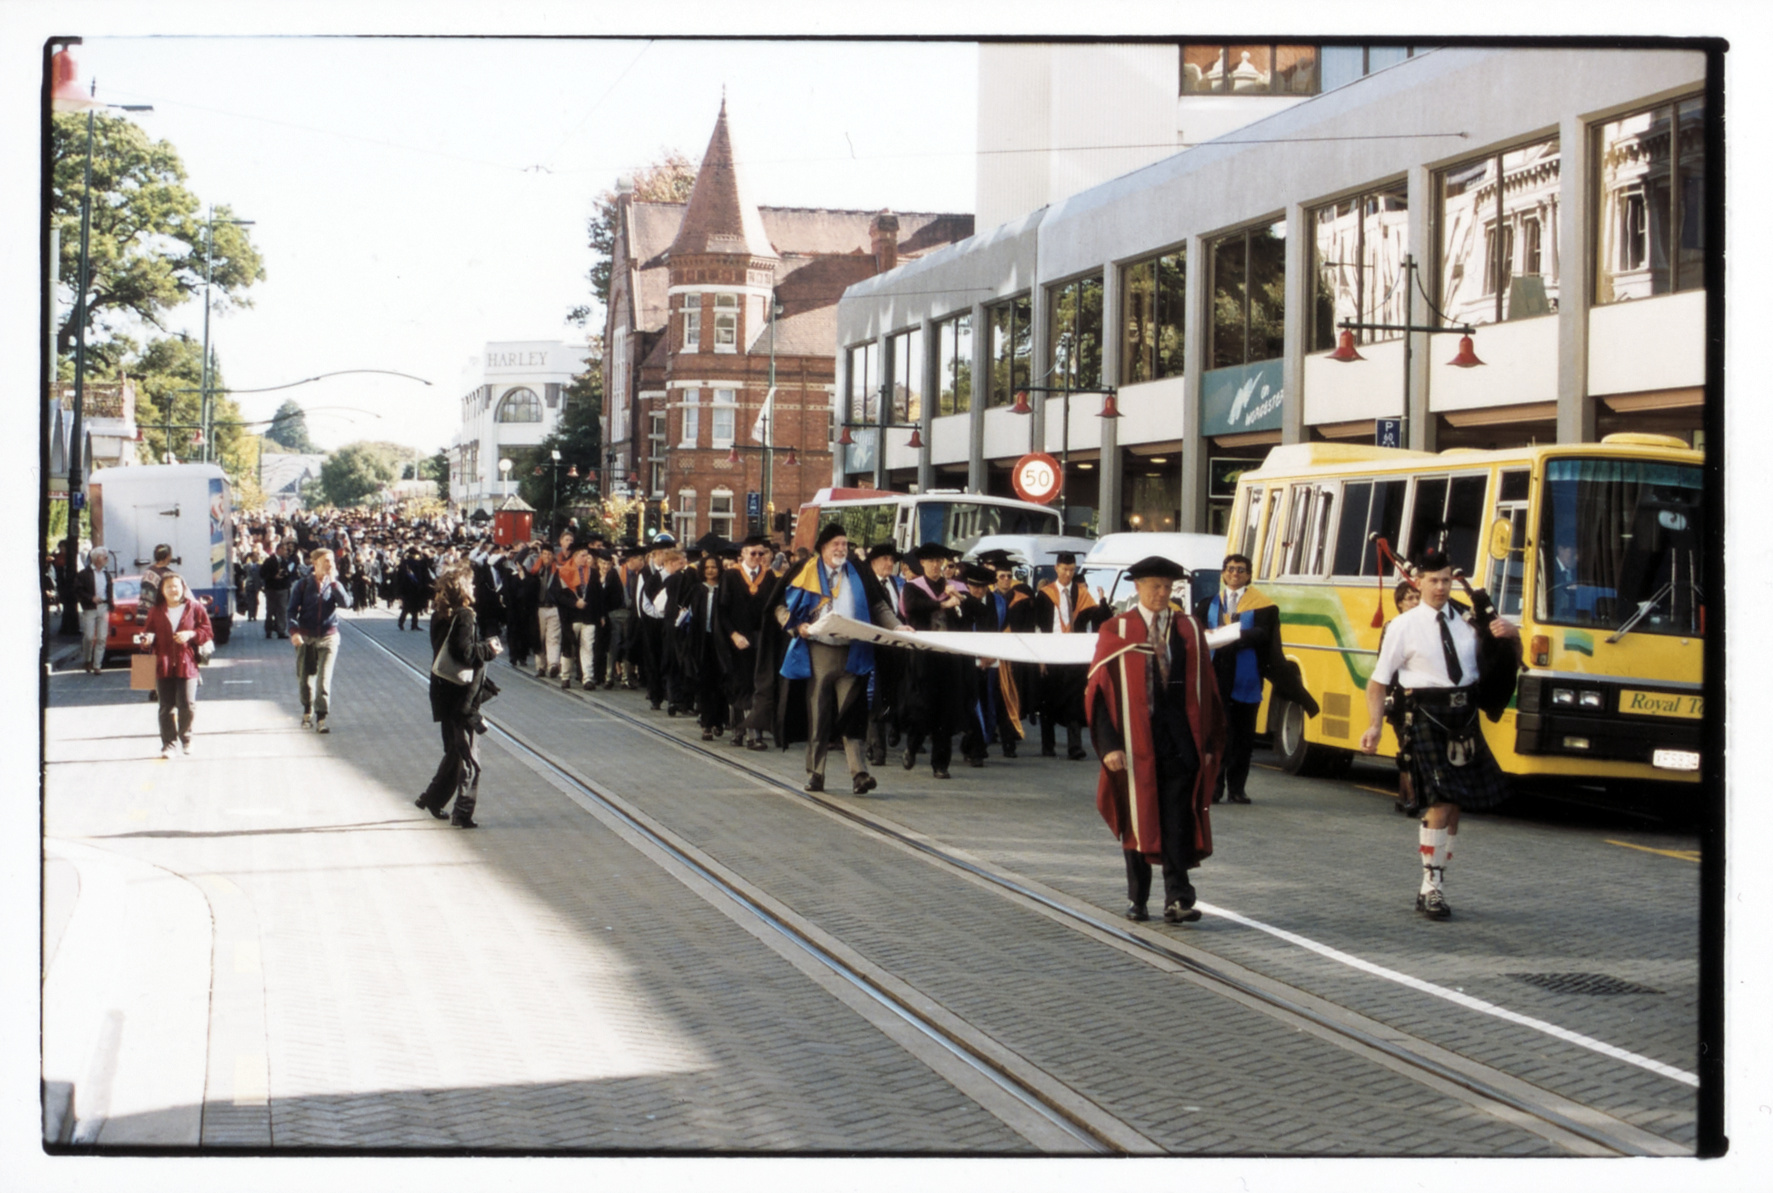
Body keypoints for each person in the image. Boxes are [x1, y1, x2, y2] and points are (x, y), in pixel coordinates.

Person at [1359, 549, 1521, 920]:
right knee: (1442, 798)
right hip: (1427, 713)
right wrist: (1374, 725)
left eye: (1447, 580)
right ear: (1418, 582)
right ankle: (1430, 886)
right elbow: (1378, 682)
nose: (1441, 587)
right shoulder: (1403, 626)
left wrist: (1511, 636)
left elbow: (1501, 660)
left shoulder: (1470, 620)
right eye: (1433, 580)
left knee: (1455, 803)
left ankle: (1438, 880)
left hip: (1464, 713)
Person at [1086, 555, 1227, 925]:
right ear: (1137, 587)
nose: (1162, 593)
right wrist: (1109, 745)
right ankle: (1138, 898)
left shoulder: (1188, 629)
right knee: (1137, 816)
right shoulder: (1116, 630)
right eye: (1155, 586)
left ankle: (1178, 898)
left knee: (1177, 819)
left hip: (1181, 740)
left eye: (1168, 587)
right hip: (1133, 742)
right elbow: (1098, 694)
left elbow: (1207, 688)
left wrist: (1210, 744)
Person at [778, 523, 907, 794]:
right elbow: (778, 606)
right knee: (819, 712)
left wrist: (896, 627)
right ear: (823, 548)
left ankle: (859, 773)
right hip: (819, 650)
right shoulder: (805, 570)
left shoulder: (858, 570)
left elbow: (878, 604)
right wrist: (796, 626)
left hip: (854, 651)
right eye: (835, 544)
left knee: (853, 711)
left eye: (844, 544)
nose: (841, 549)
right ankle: (816, 773)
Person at [1193, 553, 1319, 805]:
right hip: (1215, 676)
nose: (1235, 574)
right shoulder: (1208, 604)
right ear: (1223, 573)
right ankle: (1215, 787)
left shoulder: (1264, 606)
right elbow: (1194, 629)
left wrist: (1233, 635)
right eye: (1230, 569)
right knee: (1217, 733)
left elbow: (1263, 635)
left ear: (1249, 575)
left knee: (1242, 735)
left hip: (1246, 677)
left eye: (1240, 570)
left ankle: (1237, 789)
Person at [416, 564, 503, 829]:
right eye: (471, 584)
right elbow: (464, 653)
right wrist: (489, 649)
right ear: (463, 589)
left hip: (444, 692)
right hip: (461, 697)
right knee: (468, 759)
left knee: (455, 752)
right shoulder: (465, 615)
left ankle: (432, 799)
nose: (475, 587)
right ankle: (462, 813)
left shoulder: (440, 614)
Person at [897, 541, 967, 779]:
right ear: (923, 563)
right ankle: (913, 746)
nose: (936, 565)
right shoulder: (913, 588)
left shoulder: (952, 587)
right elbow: (913, 608)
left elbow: (970, 613)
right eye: (931, 561)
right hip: (923, 657)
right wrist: (942, 604)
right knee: (921, 708)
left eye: (939, 561)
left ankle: (940, 764)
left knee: (945, 711)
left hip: (947, 658)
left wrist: (959, 602)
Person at [139, 571, 215, 759]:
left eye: (176, 586)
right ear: (162, 591)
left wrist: (191, 635)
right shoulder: (156, 610)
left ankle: (187, 738)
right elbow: (147, 633)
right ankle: (168, 744)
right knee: (166, 707)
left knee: (187, 704)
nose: (173, 590)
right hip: (162, 663)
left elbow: (207, 631)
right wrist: (146, 640)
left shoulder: (195, 607)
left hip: (187, 662)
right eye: (168, 587)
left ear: (183, 588)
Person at [1033, 550, 1097, 759]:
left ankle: (1074, 746)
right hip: (1052, 651)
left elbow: (1094, 621)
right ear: (1056, 568)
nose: (1068, 574)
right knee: (1048, 699)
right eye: (1064, 569)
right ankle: (1048, 745)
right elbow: (1038, 629)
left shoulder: (1082, 595)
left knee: (1075, 701)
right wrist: (1041, 658)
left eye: (1072, 569)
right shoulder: (1045, 594)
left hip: (1075, 654)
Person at [717, 535, 777, 747]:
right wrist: (733, 634)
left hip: (761, 638)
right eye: (753, 553)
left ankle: (754, 733)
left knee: (758, 685)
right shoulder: (731, 577)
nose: (757, 557)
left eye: (762, 553)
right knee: (739, 684)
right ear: (742, 553)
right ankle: (738, 730)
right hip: (738, 639)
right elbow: (721, 611)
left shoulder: (769, 578)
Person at [289, 547, 354, 733]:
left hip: (328, 636)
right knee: (305, 679)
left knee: (324, 679)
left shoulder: (334, 584)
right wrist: (294, 631)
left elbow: (346, 603)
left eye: (332, 560)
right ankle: (307, 711)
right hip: (306, 637)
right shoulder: (302, 584)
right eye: (326, 560)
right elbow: (291, 610)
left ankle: (321, 718)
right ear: (315, 563)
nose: (331, 564)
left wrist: (333, 582)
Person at [1381, 579, 1424, 817]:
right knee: (1407, 746)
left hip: (1420, 698)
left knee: (1411, 747)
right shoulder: (1393, 627)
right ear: (1400, 603)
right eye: (1410, 598)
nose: (1415, 602)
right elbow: (1384, 666)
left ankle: (1403, 796)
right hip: (1400, 698)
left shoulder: (1426, 627)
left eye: (1418, 597)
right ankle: (1413, 798)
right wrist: (1386, 697)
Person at [74, 547, 114, 674]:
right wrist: (91, 598)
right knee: (89, 637)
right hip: (90, 608)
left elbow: (110, 591)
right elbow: (78, 590)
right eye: (104, 557)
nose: (106, 560)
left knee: (102, 637)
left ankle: (97, 665)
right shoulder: (84, 574)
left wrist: (110, 604)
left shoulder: (106, 574)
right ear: (97, 559)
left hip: (104, 607)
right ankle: (87, 659)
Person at [260, 541, 295, 639]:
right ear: (279, 550)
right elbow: (262, 573)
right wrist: (273, 576)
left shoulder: (286, 561)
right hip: (271, 588)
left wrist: (286, 574)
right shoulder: (269, 560)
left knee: (282, 610)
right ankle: (268, 630)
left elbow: (290, 572)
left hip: (282, 588)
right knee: (270, 610)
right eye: (284, 549)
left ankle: (281, 631)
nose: (286, 552)